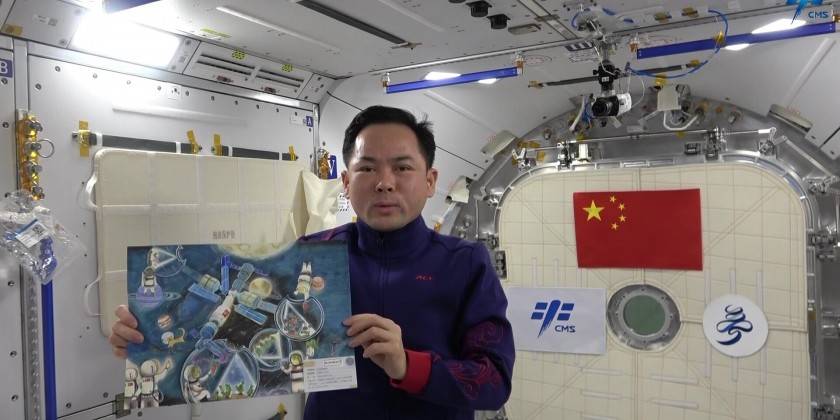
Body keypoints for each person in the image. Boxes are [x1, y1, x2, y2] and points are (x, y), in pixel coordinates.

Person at [109, 105, 515, 419]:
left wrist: (408, 365)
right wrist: (148, 334)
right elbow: (239, 325)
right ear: (346, 182)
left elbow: (494, 381)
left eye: (402, 168)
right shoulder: (312, 256)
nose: (384, 182)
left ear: (430, 181)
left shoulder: (465, 265)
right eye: (367, 168)